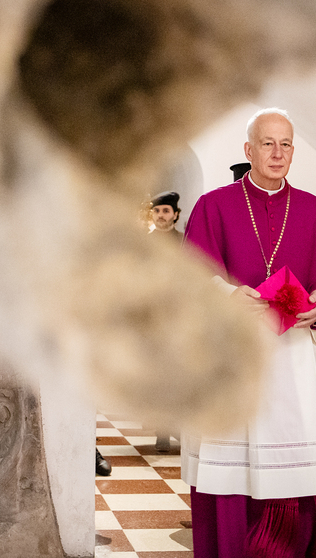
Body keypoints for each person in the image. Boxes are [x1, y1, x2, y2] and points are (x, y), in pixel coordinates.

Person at [181, 108, 316, 558]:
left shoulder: (314, 210)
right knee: (229, 479)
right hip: (232, 356)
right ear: (249, 149)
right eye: (267, 143)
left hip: (294, 363)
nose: (278, 153)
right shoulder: (214, 205)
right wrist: (226, 294)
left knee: (294, 479)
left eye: (286, 144)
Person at [148, 190, 182, 453]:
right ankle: (162, 431)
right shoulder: (143, 243)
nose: (161, 215)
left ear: (175, 215)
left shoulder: (186, 243)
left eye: (166, 211)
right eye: (157, 211)